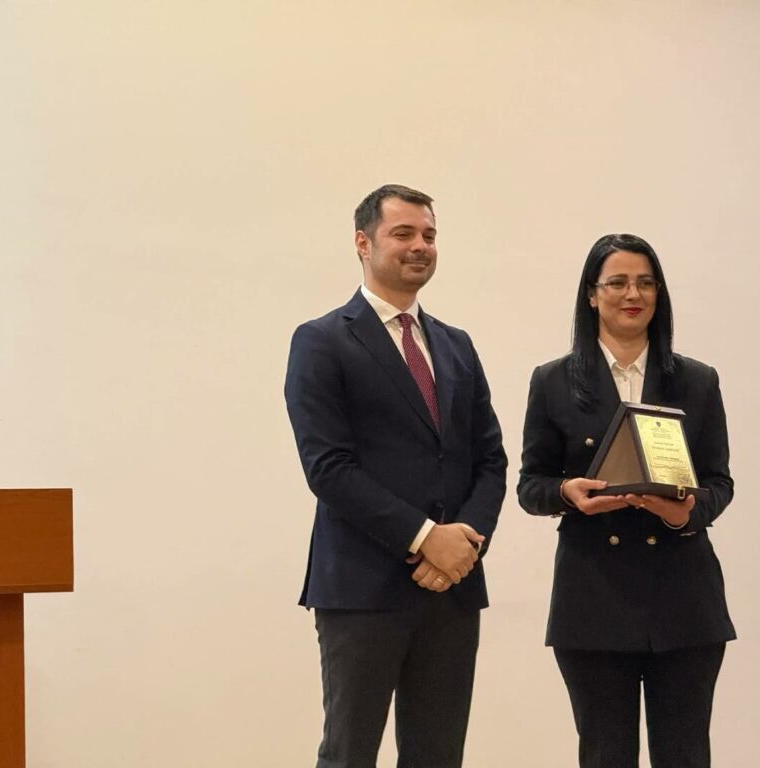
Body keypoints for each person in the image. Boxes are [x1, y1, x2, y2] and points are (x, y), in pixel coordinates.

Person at [285, 184, 507, 768]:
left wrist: (463, 545)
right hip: (362, 586)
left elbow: (490, 459)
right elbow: (328, 468)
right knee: (349, 754)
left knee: (438, 756)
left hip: (452, 588)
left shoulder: (456, 345)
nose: (420, 246)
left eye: (429, 235)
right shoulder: (321, 340)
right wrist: (424, 536)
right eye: (403, 233)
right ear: (363, 243)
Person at [518, 233, 735, 768]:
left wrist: (687, 514)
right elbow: (531, 486)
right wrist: (568, 494)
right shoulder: (553, 381)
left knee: (685, 755)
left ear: (659, 293)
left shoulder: (697, 380)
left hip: (684, 600)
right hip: (593, 598)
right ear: (592, 295)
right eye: (616, 282)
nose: (632, 294)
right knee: (604, 755)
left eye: (645, 282)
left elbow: (719, 481)